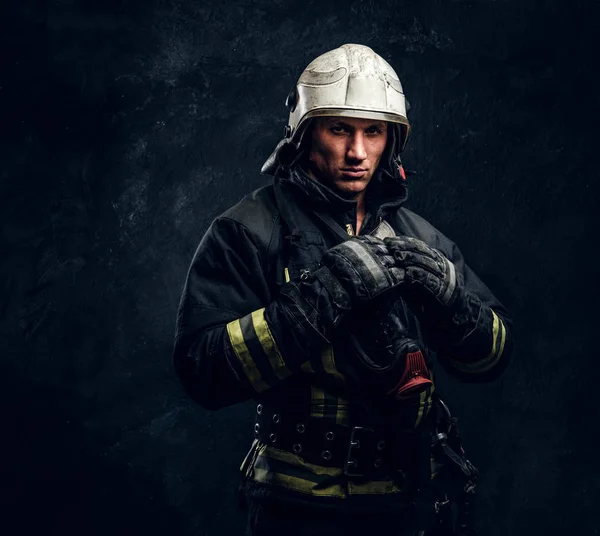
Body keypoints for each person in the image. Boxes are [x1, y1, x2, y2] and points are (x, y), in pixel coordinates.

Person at [172, 44, 514, 536]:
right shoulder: (246, 230)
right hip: (297, 508)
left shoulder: (421, 238)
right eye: (339, 129)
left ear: (391, 140)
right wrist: (321, 298)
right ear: (305, 133)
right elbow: (201, 372)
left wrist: (452, 302)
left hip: (408, 501)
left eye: (372, 131)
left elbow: (492, 358)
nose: (357, 152)